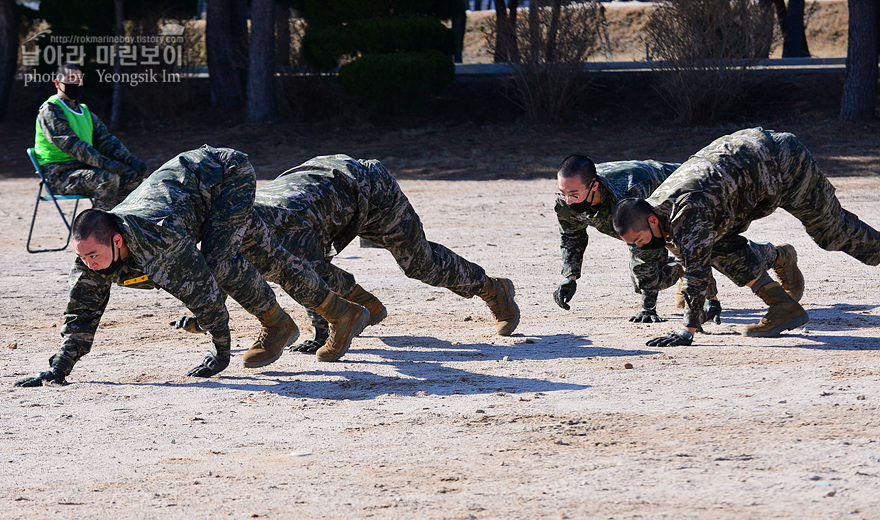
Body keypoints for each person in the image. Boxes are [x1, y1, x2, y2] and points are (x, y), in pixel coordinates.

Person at [14, 146, 368, 387]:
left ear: (117, 241)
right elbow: (82, 311)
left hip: (225, 175)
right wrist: (59, 367)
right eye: (84, 258)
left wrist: (220, 352)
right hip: (194, 198)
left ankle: (279, 324)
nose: (89, 265)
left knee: (222, 261)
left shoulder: (157, 239)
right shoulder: (91, 256)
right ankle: (341, 312)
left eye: (94, 256)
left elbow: (206, 293)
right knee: (269, 257)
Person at [612, 127, 880, 347]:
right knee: (720, 247)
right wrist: (710, 302)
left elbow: (695, 270)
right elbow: (696, 255)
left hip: (784, 163)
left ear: (651, 221)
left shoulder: (686, 210)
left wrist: (688, 329)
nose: (641, 247)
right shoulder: (659, 209)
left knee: (833, 232)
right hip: (757, 175)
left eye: (639, 241)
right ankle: (782, 305)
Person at [239, 154, 520, 353]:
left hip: (372, 192)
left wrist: (322, 334)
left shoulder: (283, 228)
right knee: (304, 268)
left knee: (419, 263)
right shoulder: (244, 226)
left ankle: (493, 289)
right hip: (334, 200)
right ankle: (368, 305)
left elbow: (312, 278)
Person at [553, 155, 721, 323]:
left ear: (594, 186)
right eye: (563, 193)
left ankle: (687, 270)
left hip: (678, 185)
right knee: (644, 281)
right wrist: (570, 277)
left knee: (684, 249)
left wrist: (648, 308)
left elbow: (643, 253)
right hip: (648, 197)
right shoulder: (566, 200)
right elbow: (571, 237)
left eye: (573, 194)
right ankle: (682, 267)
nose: (568, 200)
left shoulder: (628, 195)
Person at [34, 62, 147, 210]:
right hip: (58, 175)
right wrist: (106, 163)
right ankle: (95, 227)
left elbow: (106, 141)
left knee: (132, 176)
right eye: (71, 78)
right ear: (57, 83)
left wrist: (129, 160)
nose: (76, 82)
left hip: (84, 169)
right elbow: (72, 145)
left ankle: (116, 223)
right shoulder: (51, 110)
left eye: (79, 79)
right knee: (107, 179)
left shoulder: (85, 111)